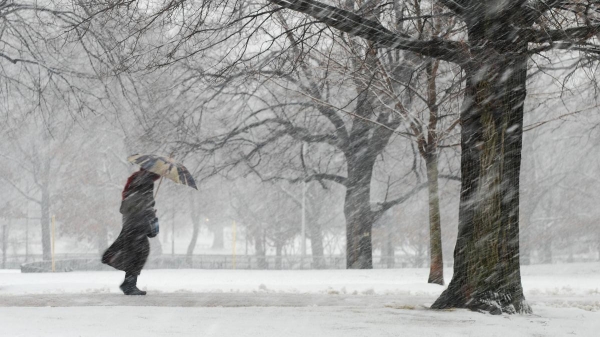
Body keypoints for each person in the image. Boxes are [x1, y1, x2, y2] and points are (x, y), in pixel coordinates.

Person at [102, 168, 161, 295]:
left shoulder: (137, 179)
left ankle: (129, 283)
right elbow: (144, 202)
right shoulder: (146, 181)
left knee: (134, 252)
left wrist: (148, 208)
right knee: (139, 253)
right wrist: (150, 212)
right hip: (137, 222)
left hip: (131, 221)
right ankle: (129, 284)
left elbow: (131, 202)